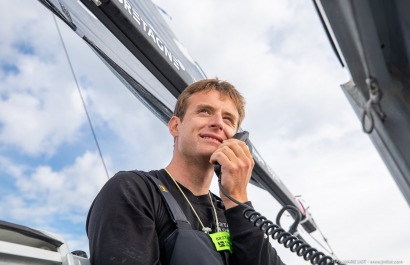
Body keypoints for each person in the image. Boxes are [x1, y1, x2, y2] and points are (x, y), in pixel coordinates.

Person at [86, 78, 284, 265]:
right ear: (175, 126)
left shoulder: (232, 212)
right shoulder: (134, 190)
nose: (218, 123)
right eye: (205, 111)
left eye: (228, 119)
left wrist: (237, 199)